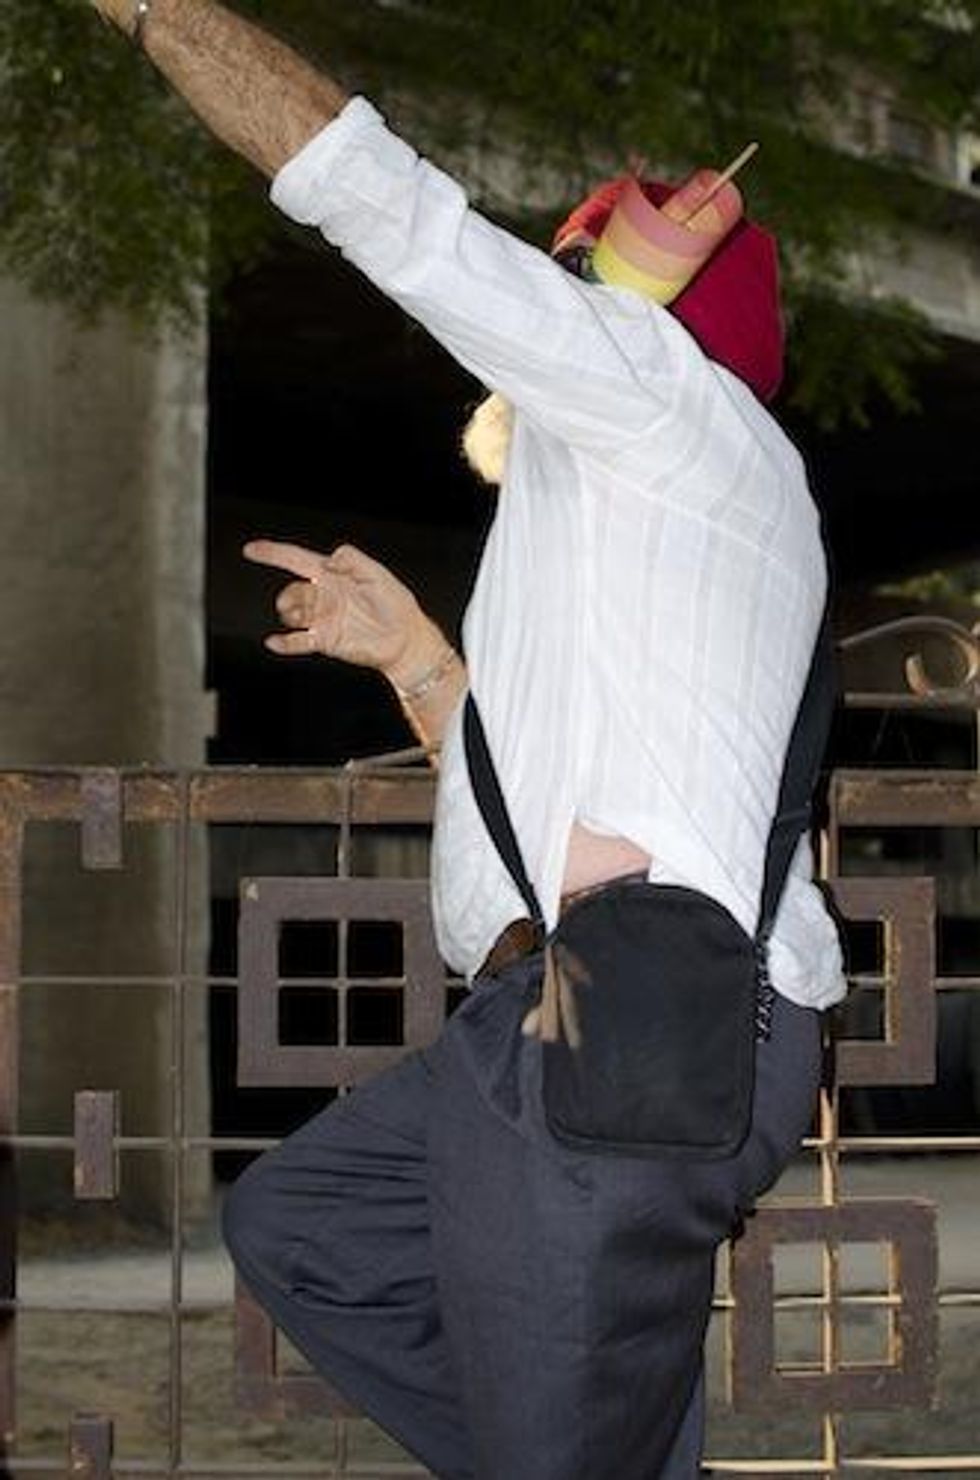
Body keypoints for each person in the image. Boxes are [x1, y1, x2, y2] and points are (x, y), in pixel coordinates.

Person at [88, 3, 847, 1475]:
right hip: (582, 1018)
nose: (536, 317)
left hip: (626, 1019)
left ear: (628, 308)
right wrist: (421, 661)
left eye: (566, 278)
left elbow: (395, 211)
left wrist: (158, 15)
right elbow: (532, 794)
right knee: (306, 1225)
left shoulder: (653, 396)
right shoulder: (648, 511)